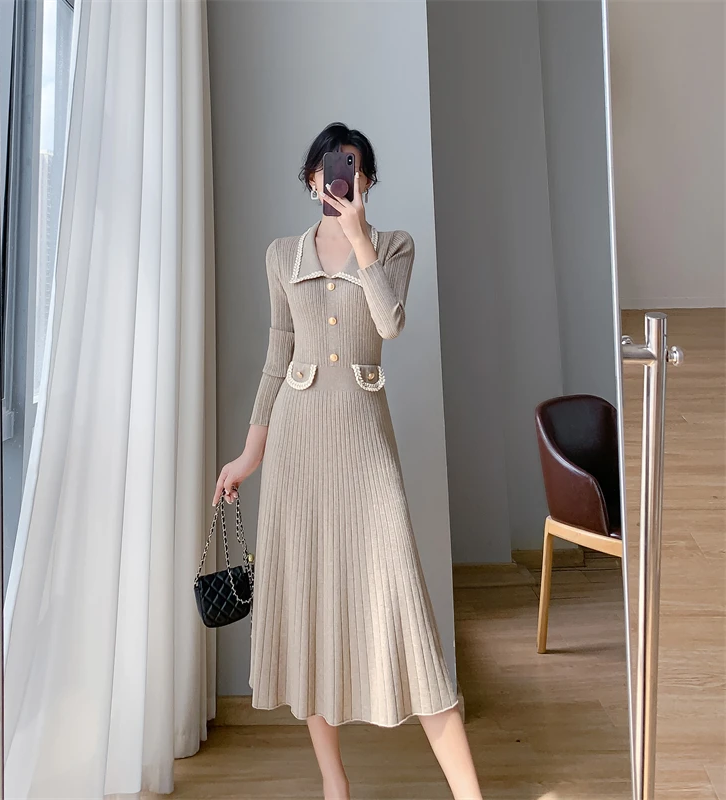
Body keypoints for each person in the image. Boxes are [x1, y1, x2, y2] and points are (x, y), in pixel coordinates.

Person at [213, 122, 482, 800]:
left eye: (357, 168)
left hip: (365, 446)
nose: (344, 177)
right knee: (311, 608)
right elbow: (277, 356)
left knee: (406, 610)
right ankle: (335, 785)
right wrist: (249, 454)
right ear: (313, 178)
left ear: (367, 182)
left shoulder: (394, 246)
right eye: (334, 166)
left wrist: (360, 239)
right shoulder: (281, 255)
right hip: (297, 450)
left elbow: (389, 323)